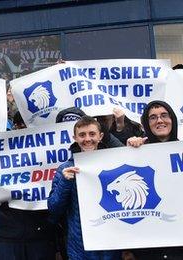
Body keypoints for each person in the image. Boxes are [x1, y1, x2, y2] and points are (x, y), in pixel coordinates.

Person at [48, 116, 119, 259]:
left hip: (111, 244)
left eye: (92, 134)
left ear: (101, 136)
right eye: (82, 135)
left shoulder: (115, 163)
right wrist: (64, 183)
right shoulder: (66, 169)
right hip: (80, 247)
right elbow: (54, 210)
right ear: (75, 138)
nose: (87, 139)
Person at [126, 100, 183, 259]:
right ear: (146, 123)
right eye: (153, 117)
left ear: (172, 119)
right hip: (149, 248)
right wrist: (128, 152)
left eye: (164, 115)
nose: (159, 120)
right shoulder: (135, 153)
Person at [0, 112, 56, 260]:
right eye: (20, 125)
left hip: (40, 233)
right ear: (14, 126)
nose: (23, 129)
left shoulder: (49, 153)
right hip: (8, 233)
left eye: (27, 125)